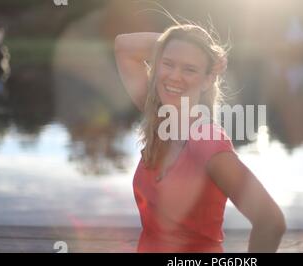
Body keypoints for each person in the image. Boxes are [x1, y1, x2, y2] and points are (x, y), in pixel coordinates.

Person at [114, 24, 286, 253]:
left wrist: (196, 50)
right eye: (168, 64)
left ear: (207, 80)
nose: (174, 76)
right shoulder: (159, 119)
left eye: (190, 69)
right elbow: (123, 46)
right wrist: (180, 43)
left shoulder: (207, 143)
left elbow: (270, 221)